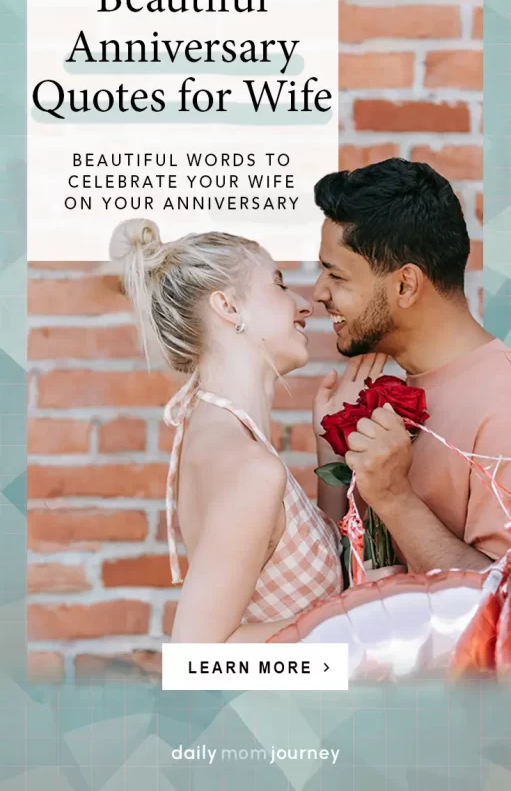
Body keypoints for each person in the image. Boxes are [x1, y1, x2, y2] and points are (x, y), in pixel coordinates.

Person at [109, 219, 346, 644]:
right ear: (229, 308)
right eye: (279, 283)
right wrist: (358, 613)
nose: (304, 304)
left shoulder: (220, 438)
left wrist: (328, 444)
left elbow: (288, 570)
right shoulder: (247, 466)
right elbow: (201, 654)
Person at [312, 158, 511, 574]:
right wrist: (330, 445)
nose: (319, 293)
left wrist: (395, 497)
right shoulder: (394, 389)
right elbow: (351, 570)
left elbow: (501, 609)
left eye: (336, 275)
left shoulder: (502, 403)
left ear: (405, 285)